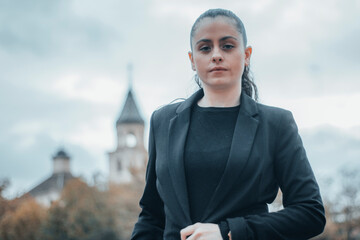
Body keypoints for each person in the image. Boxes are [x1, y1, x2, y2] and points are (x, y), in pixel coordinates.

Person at [131, 8, 325, 240]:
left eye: (227, 46)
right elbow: (152, 216)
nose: (216, 55)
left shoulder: (276, 124)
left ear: (247, 55)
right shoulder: (163, 121)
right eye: (205, 48)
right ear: (192, 60)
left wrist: (229, 232)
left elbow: (310, 213)